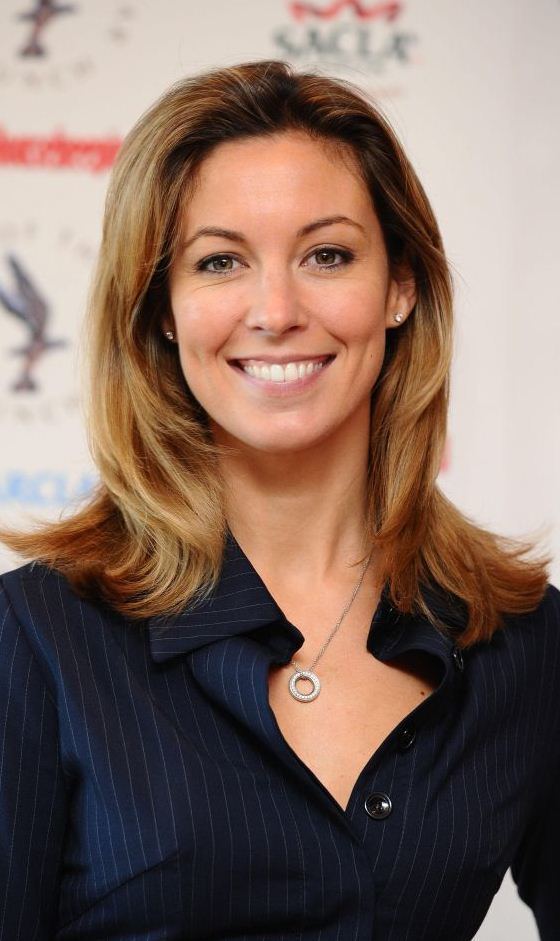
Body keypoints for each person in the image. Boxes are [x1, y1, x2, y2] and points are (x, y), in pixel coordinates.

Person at [0, 58, 558, 941]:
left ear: (400, 287)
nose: (276, 308)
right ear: (163, 310)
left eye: (327, 254)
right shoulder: (34, 638)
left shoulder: (524, 639)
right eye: (220, 261)